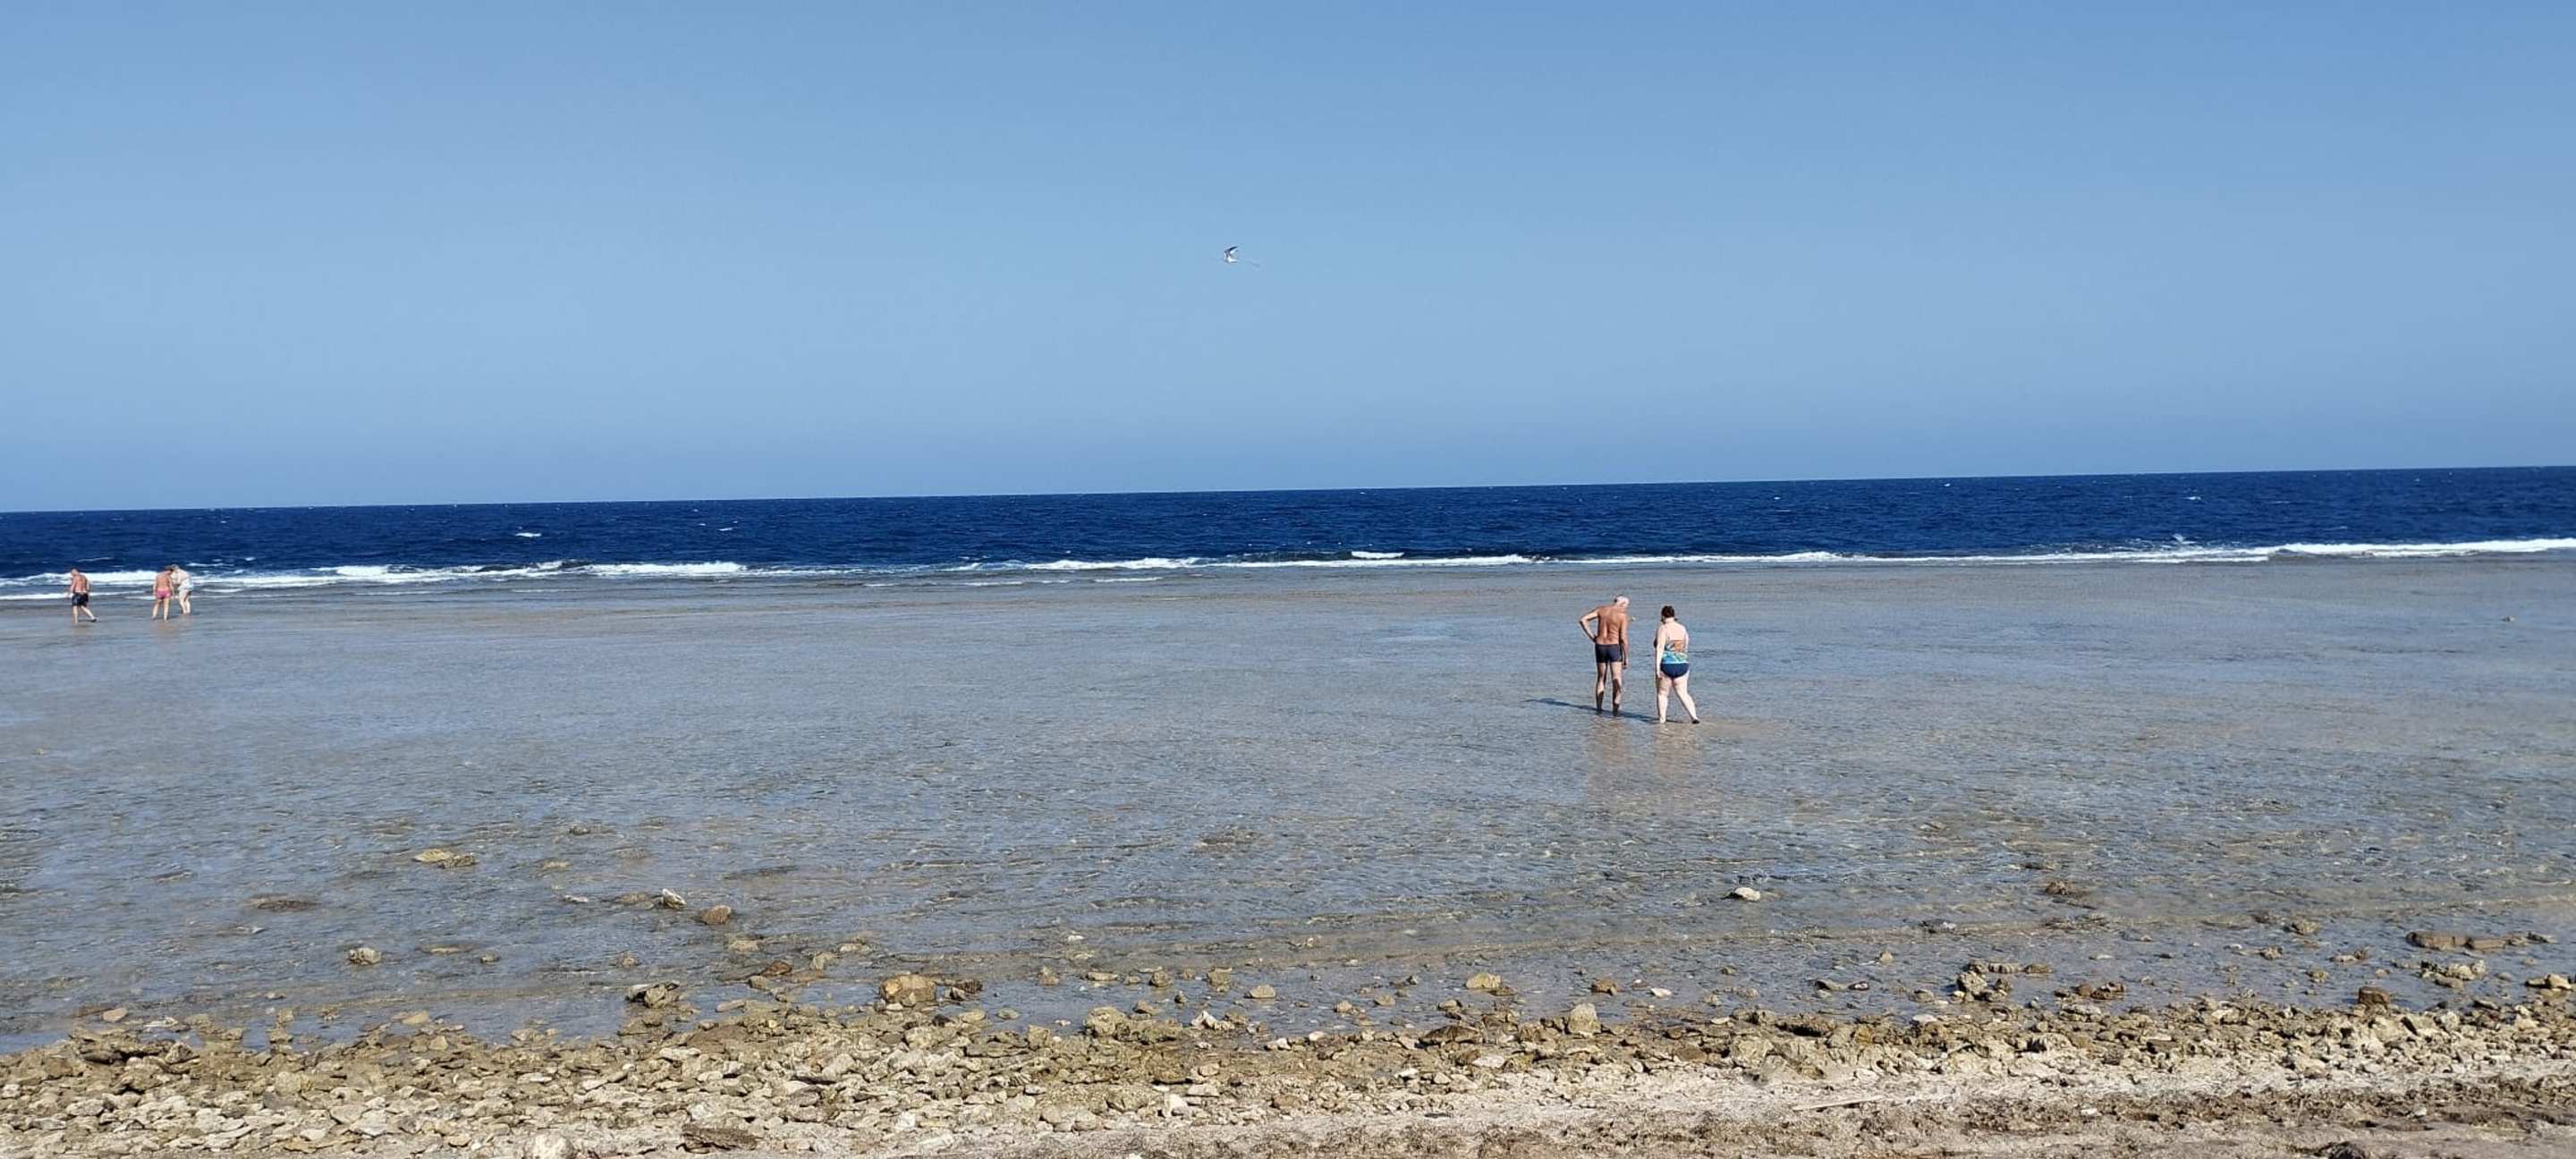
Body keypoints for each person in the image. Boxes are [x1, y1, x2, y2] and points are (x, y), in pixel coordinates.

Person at [1577, 595, 1632, 715]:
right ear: (1623, 604)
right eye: (1626, 606)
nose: (1626, 609)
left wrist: (1592, 637)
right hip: (1614, 647)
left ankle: (1599, 709)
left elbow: (1583, 620)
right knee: (1616, 678)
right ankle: (1615, 711)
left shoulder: (1601, 610)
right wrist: (1626, 657)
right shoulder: (1622, 615)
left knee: (1601, 678)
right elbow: (1623, 639)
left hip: (1600, 646)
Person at [1651, 605, 1701, 725]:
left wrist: (1657, 668)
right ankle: (1694, 717)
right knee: (1683, 693)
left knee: (1662, 694)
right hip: (1682, 664)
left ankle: (1662, 720)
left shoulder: (1663, 628)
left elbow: (1659, 648)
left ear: (1663, 616)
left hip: (1667, 664)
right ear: (1674, 616)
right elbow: (1686, 645)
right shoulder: (1682, 628)